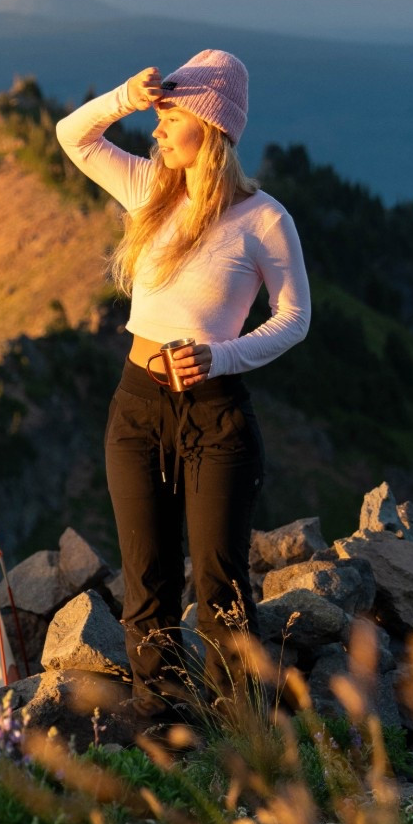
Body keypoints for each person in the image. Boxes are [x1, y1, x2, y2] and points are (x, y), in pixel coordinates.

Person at [55, 52, 310, 721]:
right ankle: (165, 729)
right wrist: (124, 95)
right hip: (135, 407)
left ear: (208, 126)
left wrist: (221, 357)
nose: (155, 133)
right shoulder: (147, 189)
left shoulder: (262, 218)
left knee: (220, 587)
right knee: (147, 582)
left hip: (214, 414)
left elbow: (294, 318)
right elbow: (71, 136)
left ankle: (243, 735)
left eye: (168, 120)